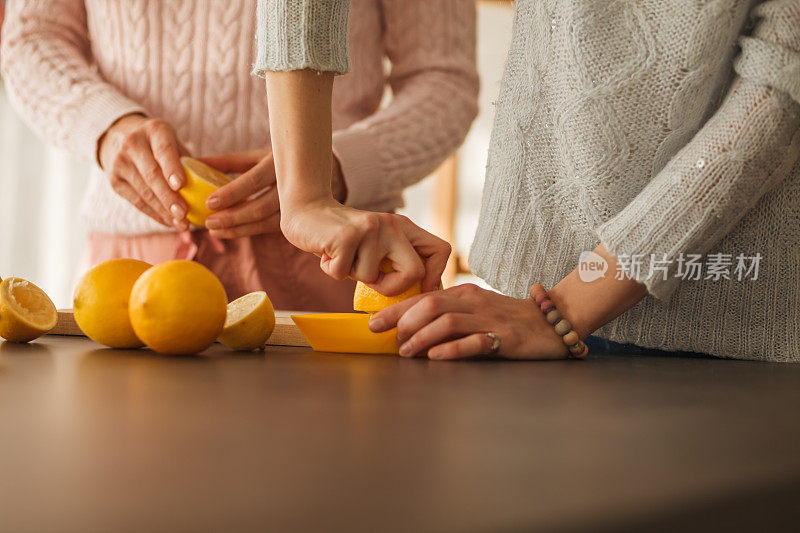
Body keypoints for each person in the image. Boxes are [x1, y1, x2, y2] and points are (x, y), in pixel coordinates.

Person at [256, 0, 800, 362]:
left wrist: (572, 304)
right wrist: (304, 196)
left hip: (735, 330)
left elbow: (782, 81)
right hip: (529, 309)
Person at [0, 0, 477, 311]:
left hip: (332, 259)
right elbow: (28, 40)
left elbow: (444, 82)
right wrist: (104, 127)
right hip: (131, 261)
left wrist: (322, 168)